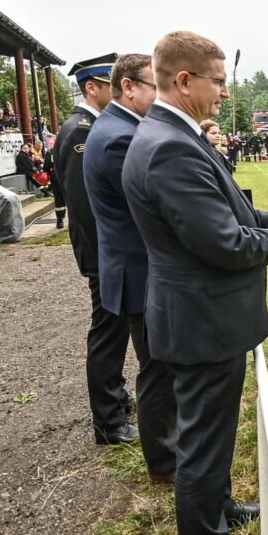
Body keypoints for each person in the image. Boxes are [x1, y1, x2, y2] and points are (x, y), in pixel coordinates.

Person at [122, 31, 268, 535]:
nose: (225, 93)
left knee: (212, 439)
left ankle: (221, 507)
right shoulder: (170, 146)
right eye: (218, 81)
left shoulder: (172, 135)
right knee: (202, 449)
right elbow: (224, 244)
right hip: (202, 322)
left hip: (202, 316)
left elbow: (223, 208)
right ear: (184, 82)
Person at [83, 53, 177, 484]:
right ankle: (166, 463)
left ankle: (166, 454)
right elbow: (152, 201)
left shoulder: (120, 128)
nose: (160, 95)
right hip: (139, 269)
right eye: (154, 85)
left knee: (157, 364)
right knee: (157, 368)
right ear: (128, 87)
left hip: (133, 264)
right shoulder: (119, 136)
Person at [53, 53, 140, 446]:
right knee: (108, 332)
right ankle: (108, 421)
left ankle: (117, 400)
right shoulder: (80, 132)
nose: (119, 91)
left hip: (109, 254)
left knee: (115, 328)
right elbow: (86, 209)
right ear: (92, 87)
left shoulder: (93, 127)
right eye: (111, 85)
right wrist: (105, 262)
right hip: (104, 254)